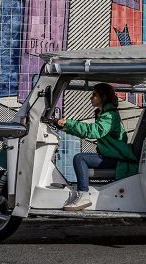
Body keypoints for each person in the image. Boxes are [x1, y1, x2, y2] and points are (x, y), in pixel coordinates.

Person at [58, 83, 137, 211]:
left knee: (79, 158)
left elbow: (94, 131)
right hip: (111, 155)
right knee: (80, 158)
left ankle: (83, 195)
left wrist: (70, 122)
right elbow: (90, 131)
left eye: (94, 94)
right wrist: (67, 128)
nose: (91, 97)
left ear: (103, 97)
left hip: (117, 159)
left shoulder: (110, 116)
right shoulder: (104, 114)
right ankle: (82, 194)